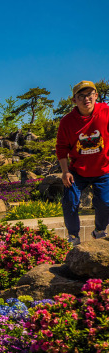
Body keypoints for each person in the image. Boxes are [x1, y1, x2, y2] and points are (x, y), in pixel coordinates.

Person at [56, 80, 109, 245]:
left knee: (105, 203)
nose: (86, 99)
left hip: (104, 170)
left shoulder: (107, 112)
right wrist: (65, 172)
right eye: (81, 96)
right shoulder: (67, 121)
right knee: (69, 201)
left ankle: (99, 231)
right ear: (74, 100)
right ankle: (73, 236)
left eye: (89, 95)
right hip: (77, 171)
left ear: (96, 96)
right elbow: (61, 148)